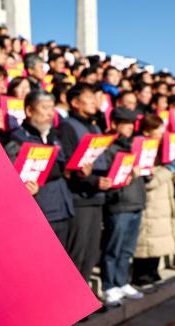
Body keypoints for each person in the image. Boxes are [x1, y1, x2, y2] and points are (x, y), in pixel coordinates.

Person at [57, 83, 112, 281]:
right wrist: (93, 180)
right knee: (77, 253)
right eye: (89, 98)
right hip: (79, 199)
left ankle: (86, 301)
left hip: (97, 197)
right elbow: (69, 167)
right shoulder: (67, 127)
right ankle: (75, 305)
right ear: (74, 102)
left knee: (91, 253)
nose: (95, 102)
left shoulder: (96, 126)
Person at [5, 91, 75, 246]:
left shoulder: (54, 136)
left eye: (52, 108)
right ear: (29, 111)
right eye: (44, 108)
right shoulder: (17, 140)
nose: (50, 113)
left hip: (63, 207)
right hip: (42, 212)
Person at [132, 115, 175, 287]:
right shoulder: (141, 149)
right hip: (151, 201)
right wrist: (168, 170)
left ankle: (153, 271)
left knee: (159, 239)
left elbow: (171, 176)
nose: (161, 137)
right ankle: (141, 274)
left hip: (164, 199)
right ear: (146, 132)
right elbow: (149, 181)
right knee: (147, 239)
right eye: (158, 134)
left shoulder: (163, 148)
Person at [101, 108, 146, 305]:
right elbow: (109, 178)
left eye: (131, 124)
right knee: (113, 247)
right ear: (115, 124)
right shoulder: (108, 147)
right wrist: (129, 175)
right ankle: (109, 285)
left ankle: (121, 281)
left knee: (127, 248)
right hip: (119, 204)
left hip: (136, 201)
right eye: (125, 123)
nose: (130, 127)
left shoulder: (133, 146)